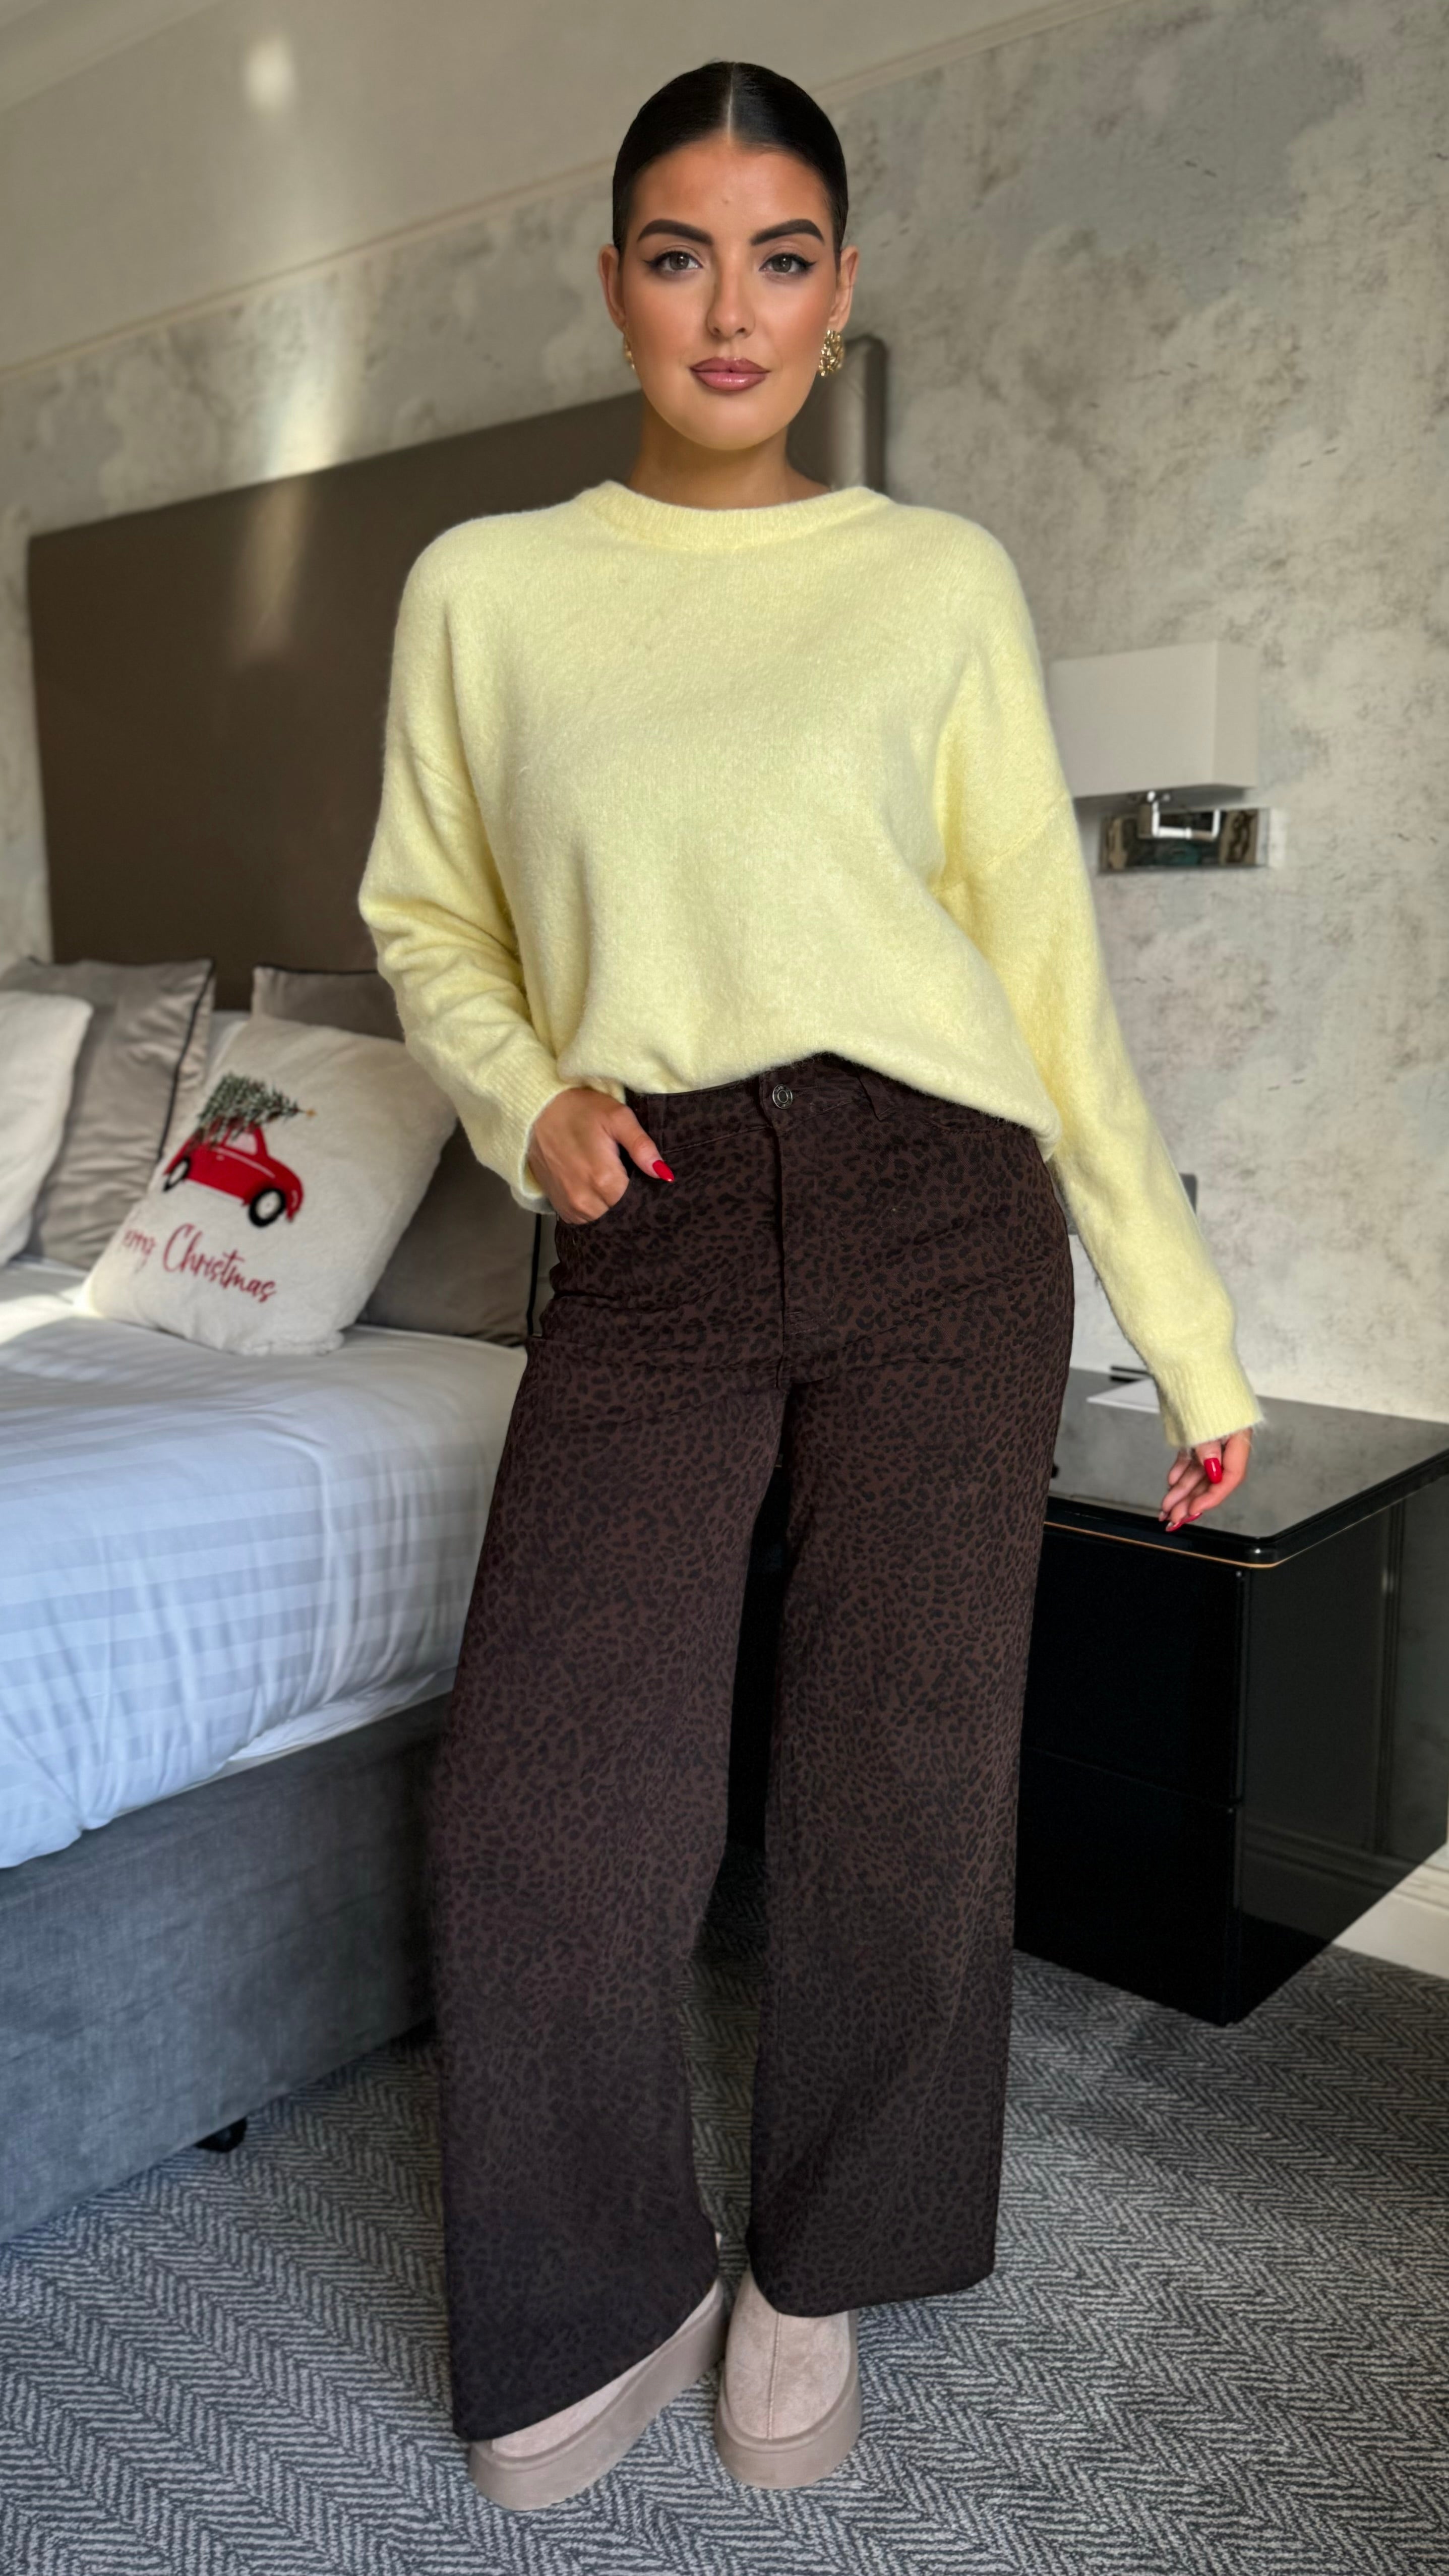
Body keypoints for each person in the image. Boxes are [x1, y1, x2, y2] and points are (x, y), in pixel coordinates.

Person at [357, 57, 1261, 2513]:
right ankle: (595, 2287)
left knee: (898, 1780)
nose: (729, 307)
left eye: (778, 257)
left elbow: (1041, 970)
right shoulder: (488, 593)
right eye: (679, 254)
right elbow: (426, 913)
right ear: (616, 283)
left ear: (838, 285)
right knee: (545, 1797)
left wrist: (1182, 1329)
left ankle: (819, 2271)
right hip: (647, 1212)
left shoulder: (931, 581)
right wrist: (520, 1094)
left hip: (938, 1206)